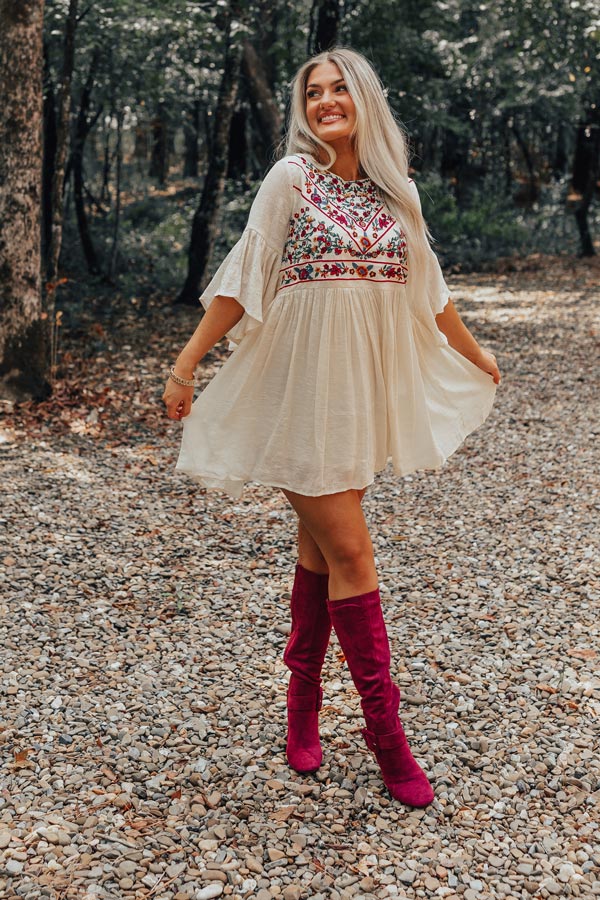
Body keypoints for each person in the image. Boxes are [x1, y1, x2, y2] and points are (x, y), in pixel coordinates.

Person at [163, 47, 501, 808]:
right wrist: (185, 366)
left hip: (358, 399)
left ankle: (302, 705)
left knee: (320, 549)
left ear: (364, 99)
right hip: (297, 395)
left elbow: (432, 291)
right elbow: (246, 273)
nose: (324, 101)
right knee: (353, 550)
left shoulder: (397, 195)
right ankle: (389, 742)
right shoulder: (291, 179)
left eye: (338, 88)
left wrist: (479, 357)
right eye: (312, 92)